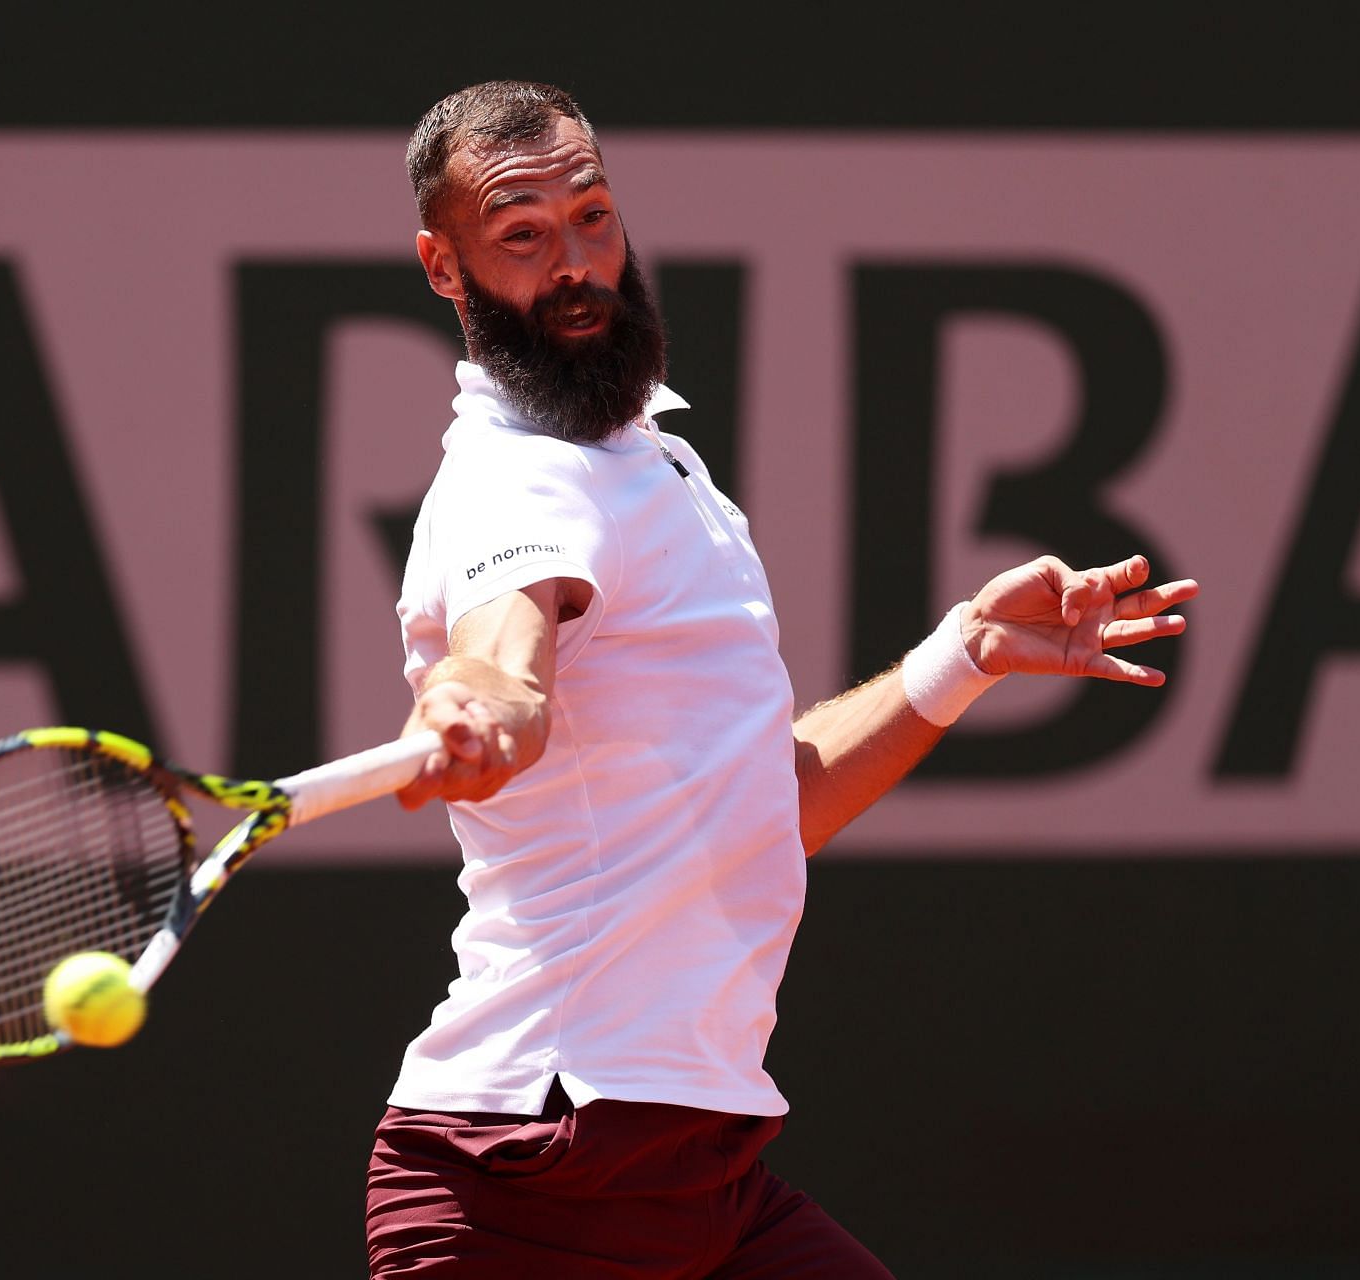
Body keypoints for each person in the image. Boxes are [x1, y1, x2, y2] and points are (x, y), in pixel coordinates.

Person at [366, 81, 1198, 1278]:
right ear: (445, 269)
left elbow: (767, 808)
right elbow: (505, 656)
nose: (575, 265)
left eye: (591, 216)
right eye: (521, 236)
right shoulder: (517, 484)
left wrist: (965, 652)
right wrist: (486, 703)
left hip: (698, 1169)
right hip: (530, 1175)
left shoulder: (655, 467)